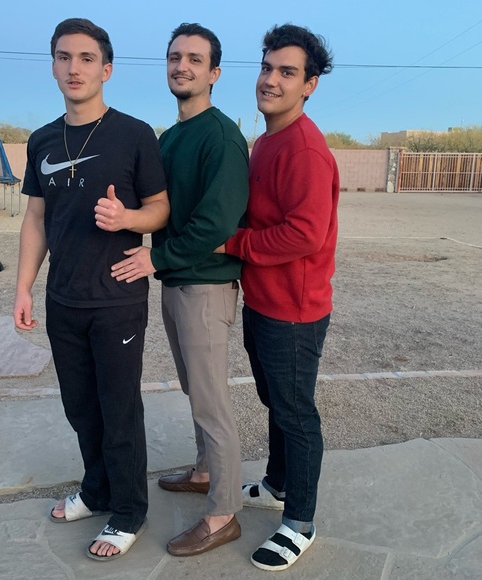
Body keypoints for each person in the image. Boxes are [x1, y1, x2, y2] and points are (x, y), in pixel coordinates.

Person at [13, 18, 169, 562]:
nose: (74, 68)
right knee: (80, 406)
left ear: (107, 69)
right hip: (63, 299)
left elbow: (160, 208)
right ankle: (97, 489)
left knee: (118, 408)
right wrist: (24, 287)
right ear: (53, 66)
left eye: (85, 58)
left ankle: (128, 511)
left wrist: (127, 218)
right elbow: (36, 219)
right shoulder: (42, 140)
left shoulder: (134, 134)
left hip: (116, 298)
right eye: (64, 57)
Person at [111, 23, 249, 557]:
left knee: (211, 401)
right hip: (176, 282)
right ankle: (205, 470)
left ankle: (222, 514)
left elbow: (217, 222)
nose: (182, 66)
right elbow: (157, 206)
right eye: (174, 57)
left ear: (214, 73)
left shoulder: (221, 137)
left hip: (205, 287)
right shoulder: (169, 138)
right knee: (196, 389)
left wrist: (156, 257)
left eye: (194, 59)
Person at [217, 23, 339, 572]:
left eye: (287, 72)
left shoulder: (306, 149)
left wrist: (234, 243)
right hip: (263, 301)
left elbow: (305, 234)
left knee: (296, 413)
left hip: (294, 311)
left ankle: (300, 523)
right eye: (267, 68)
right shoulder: (266, 140)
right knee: (277, 401)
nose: (271, 80)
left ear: (309, 85)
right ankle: (278, 483)